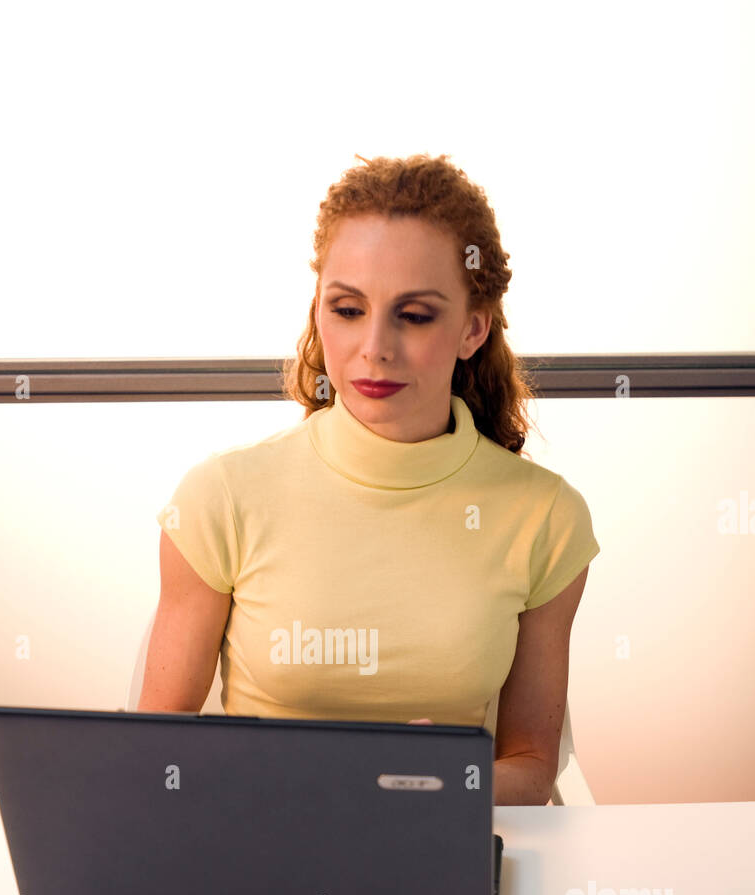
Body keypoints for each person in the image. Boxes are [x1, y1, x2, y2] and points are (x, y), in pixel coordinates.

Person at [142, 154, 600, 805]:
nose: (374, 348)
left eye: (413, 315)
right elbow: (154, 759)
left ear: (472, 327)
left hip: (444, 850)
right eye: (348, 309)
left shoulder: (545, 518)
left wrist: (431, 787)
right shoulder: (220, 497)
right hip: (262, 853)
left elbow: (529, 764)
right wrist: (338, 785)